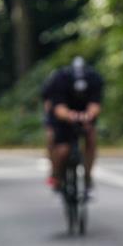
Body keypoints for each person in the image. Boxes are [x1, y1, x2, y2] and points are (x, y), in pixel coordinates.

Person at [48, 57, 103, 196]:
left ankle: (87, 175)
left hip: (85, 117)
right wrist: (70, 116)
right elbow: (59, 108)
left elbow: (95, 105)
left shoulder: (94, 79)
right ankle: (57, 175)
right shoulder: (60, 80)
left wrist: (87, 116)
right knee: (62, 150)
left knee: (91, 138)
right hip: (63, 119)